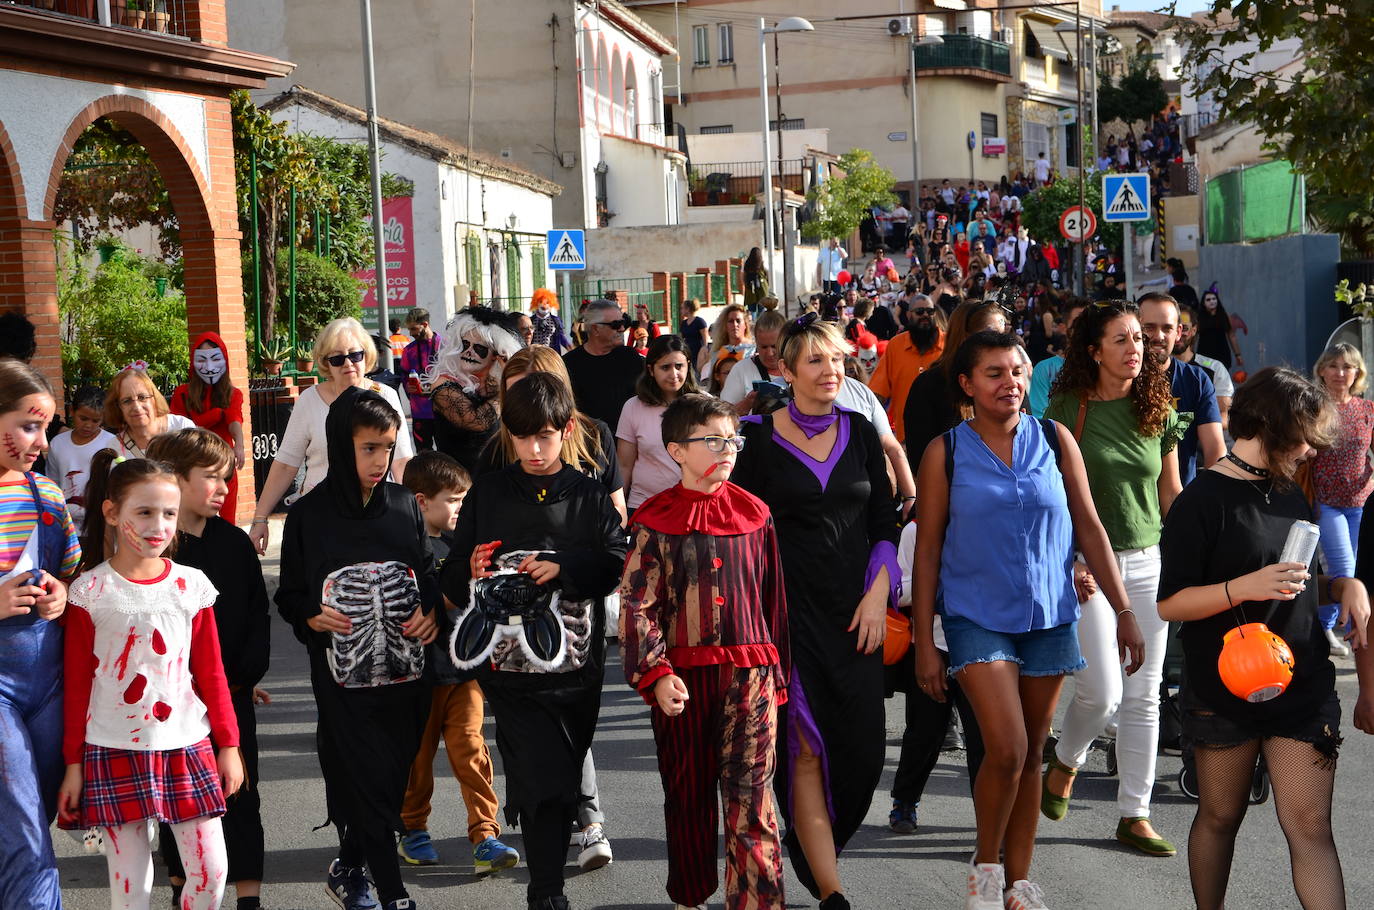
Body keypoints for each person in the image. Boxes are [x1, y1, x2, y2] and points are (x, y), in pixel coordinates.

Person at [914, 331, 1143, 910]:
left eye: (1017, 371)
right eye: (993, 373)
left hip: (1049, 614)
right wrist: (923, 641)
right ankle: (985, 869)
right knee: (1009, 748)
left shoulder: (1054, 438)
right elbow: (928, 550)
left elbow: (1089, 526)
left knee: (1033, 748)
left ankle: (1019, 881)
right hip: (975, 615)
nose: (1009, 383)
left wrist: (1123, 611)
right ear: (967, 385)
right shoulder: (945, 451)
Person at [1159, 367, 1374, 910]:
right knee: (1220, 818)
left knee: (1310, 827)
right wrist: (1242, 587)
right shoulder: (1201, 500)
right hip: (1224, 686)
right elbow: (1171, 602)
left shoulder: (1290, 494)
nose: (1308, 452)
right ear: (1273, 429)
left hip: (1301, 682)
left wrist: (1343, 586)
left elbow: (1291, 587)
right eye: (1302, 439)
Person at [732, 315, 899, 910]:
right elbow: (739, 530)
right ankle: (831, 891)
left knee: (862, 749)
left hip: (857, 614)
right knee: (802, 747)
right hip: (787, 616)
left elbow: (885, 519)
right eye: (816, 361)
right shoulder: (753, 439)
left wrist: (879, 592)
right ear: (786, 370)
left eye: (838, 360)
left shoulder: (859, 432)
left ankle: (817, 848)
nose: (832, 371)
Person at [445, 373, 627, 910]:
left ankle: (547, 881)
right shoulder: (491, 490)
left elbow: (614, 564)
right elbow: (453, 573)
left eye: (546, 436)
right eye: (524, 437)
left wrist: (563, 564)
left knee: (562, 781)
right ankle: (546, 893)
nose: (535, 448)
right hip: (509, 672)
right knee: (539, 776)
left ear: (567, 430)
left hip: (578, 669)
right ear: (510, 434)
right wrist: (470, 568)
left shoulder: (590, 495)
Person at [619, 393, 789, 910]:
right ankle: (689, 898)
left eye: (732, 439)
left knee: (753, 803)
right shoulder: (654, 519)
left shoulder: (756, 514)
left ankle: (758, 903)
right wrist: (655, 672)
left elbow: (773, 600)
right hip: (683, 683)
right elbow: (636, 603)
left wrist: (779, 680)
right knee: (687, 797)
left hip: (751, 677)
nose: (727, 449)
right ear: (676, 449)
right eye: (712, 440)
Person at [274, 387, 440, 910]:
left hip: (409, 676)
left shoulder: (402, 506)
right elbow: (290, 594)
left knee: (391, 777)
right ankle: (392, 894)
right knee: (366, 775)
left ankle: (349, 861)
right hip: (341, 678)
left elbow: (427, 575)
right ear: (340, 444)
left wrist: (432, 612)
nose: (380, 460)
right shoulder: (307, 516)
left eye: (388, 447)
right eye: (369, 447)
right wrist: (309, 614)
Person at [59, 453, 244, 910]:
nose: (158, 526)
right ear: (111, 512)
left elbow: (212, 673)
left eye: (168, 513)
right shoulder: (90, 592)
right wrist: (73, 763)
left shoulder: (192, 586)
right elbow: (77, 685)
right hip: (111, 745)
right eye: (143, 512)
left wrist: (229, 744)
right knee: (131, 889)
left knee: (212, 872)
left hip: (188, 744)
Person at [1042, 299, 1186, 856]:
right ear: (1094, 349)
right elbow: (1053, 501)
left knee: (1144, 695)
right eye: (1123, 339)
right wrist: (1071, 559)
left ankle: (1135, 814)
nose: (1136, 349)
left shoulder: (1157, 406)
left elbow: (1168, 493)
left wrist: (1196, 552)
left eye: (1140, 340)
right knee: (1100, 693)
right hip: (1087, 569)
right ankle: (1065, 760)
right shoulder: (1067, 409)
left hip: (1148, 564)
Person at [146, 429, 270, 910]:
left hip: (233, 693)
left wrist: (248, 674)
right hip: (175, 702)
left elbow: (256, 613)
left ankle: (249, 899)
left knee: (242, 796)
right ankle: (184, 892)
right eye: (212, 478)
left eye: (227, 478)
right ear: (176, 480)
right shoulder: (161, 550)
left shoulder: (235, 543)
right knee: (181, 803)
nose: (223, 487)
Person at [395, 451, 520, 875]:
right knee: (418, 756)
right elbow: (414, 608)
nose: (461, 509)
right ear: (420, 501)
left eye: (465, 501)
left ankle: (485, 835)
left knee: (471, 750)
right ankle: (412, 830)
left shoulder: (462, 545)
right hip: (419, 675)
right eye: (454, 500)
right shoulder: (407, 550)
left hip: (464, 672)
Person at [0, 361, 77, 910]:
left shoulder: (47, 496)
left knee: (30, 817)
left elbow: (72, 574)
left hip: (50, 685)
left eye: (47, 428)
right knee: (26, 828)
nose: (41, 441)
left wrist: (61, 594)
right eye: (29, 425)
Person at [249, 317, 416, 554]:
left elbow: (400, 461)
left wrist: (415, 512)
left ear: (366, 354)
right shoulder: (309, 400)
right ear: (326, 363)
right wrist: (260, 519)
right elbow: (286, 464)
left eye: (355, 355)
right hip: (322, 516)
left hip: (377, 513)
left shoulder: (385, 396)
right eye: (337, 359)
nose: (348, 363)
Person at [1311, 343, 1374, 658]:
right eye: (1333, 366)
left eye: (1347, 367)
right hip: (1327, 503)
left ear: (1357, 373)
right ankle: (1337, 630)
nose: (1340, 373)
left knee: (1350, 571)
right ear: (1322, 370)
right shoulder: (1315, 407)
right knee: (1344, 569)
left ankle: (1328, 626)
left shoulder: (1367, 409)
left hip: (1360, 501)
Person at [903, 301, 1010, 468]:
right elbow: (921, 460)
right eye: (992, 335)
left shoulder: (1012, 382)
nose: (1001, 343)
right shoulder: (929, 385)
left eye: (1003, 335)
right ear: (966, 337)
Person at [427, 307, 526, 474]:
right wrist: (506, 388)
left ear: (496, 355)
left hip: (499, 479)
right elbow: (477, 421)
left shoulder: (497, 385)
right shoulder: (443, 383)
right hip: (457, 484)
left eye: (479, 349)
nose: (469, 352)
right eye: (465, 344)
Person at [1138, 293, 1225, 484]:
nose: (1158, 336)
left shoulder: (1196, 380)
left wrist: (1203, 500)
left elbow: (1215, 450)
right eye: (1149, 327)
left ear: (1178, 332)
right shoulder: (1121, 378)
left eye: (1167, 328)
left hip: (1183, 502)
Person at [617, 336, 701, 512]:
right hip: (645, 507)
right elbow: (624, 465)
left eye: (679, 366)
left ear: (688, 365)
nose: (674, 374)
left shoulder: (704, 406)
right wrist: (618, 510)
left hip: (693, 507)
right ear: (651, 370)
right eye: (665, 367)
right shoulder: (633, 407)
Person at [170, 332, 246, 521]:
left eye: (215, 358)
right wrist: (215, 415)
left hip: (223, 463)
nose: (209, 366)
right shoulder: (182, 394)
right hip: (192, 462)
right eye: (202, 360)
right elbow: (180, 429)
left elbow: (234, 419)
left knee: (228, 514)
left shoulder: (232, 394)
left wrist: (240, 445)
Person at [868, 295, 946, 443]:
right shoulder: (895, 346)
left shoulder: (949, 345)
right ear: (908, 315)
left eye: (930, 311)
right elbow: (878, 392)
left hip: (944, 436)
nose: (925, 315)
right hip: (906, 437)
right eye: (920, 312)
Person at [564, 300, 645, 435]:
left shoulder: (631, 358)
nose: (621, 328)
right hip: (589, 445)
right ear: (595, 329)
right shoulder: (569, 364)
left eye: (623, 323)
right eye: (616, 325)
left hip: (630, 442)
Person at [43, 384, 117, 530]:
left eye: (95, 421)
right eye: (83, 418)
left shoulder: (112, 443)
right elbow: (52, 483)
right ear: (72, 411)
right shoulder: (58, 443)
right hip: (65, 526)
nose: (88, 425)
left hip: (101, 526)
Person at [106, 364, 195, 460]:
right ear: (118, 407)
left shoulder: (181, 428)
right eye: (127, 401)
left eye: (142, 397)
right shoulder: (114, 448)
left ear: (154, 399)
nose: (136, 407)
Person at [1175, 304, 1234, 431]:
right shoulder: (1153, 368)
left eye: (1184, 328)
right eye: (1171, 328)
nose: (1178, 334)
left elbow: (1225, 416)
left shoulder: (1215, 369)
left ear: (1194, 330)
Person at [1027, 300, 1087, 417]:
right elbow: (1042, 420)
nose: (1086, 329)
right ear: (1063, 328)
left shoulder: (1106, 366)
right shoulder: (1044, 369)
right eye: (1079, 323)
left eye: (1092, 323)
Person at [399, 307, 443, 452]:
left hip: (444, 410)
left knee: (447, 453)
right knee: (423, 453)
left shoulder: (444, 346)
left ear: (425, 325)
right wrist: (407, 386)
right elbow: (404, 374)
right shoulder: (409, 350)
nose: (411, 334)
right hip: (420, 411)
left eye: (413, 329)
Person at [1197, 286, 1244, 371]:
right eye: (1208, 299)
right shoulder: (1199, 318)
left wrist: (1238, 355)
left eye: (1214, 299)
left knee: (1222, 378)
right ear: (1203, 303)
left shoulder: (1224, 316)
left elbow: (1232, 335)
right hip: (1205, 358)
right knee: (1208, 376)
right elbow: (1194, 336)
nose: (1212, 301)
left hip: (1222, 356)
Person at [529, 289, 572, 353]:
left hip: (551, 353)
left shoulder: (556, 320)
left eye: (547, 303)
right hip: (534, 353)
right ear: (536, 303)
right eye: (541, 302)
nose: (544, 305)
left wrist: (569, 347)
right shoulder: (530, 320)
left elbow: (561, 336)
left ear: (551, 304)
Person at [678, 299, 710, 370]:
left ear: (688, 309)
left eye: (682, 308)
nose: (681, 311)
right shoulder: (684, 323)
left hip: (698, 352)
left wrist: (704, 351)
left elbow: (705, 339)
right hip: (688, 352)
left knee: (698, 373)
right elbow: (681, 338)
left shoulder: (699, 322)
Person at [743, 247, 771, 316]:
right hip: (762, 289)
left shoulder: (747, 263)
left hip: (751, 289)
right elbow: (767, 274)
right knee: (761, 309)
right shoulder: (761, 263)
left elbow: (743, 276)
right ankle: (759, 323)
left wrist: (746, 285)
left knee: (752, 309)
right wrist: (767, 284)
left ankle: (753, 323)